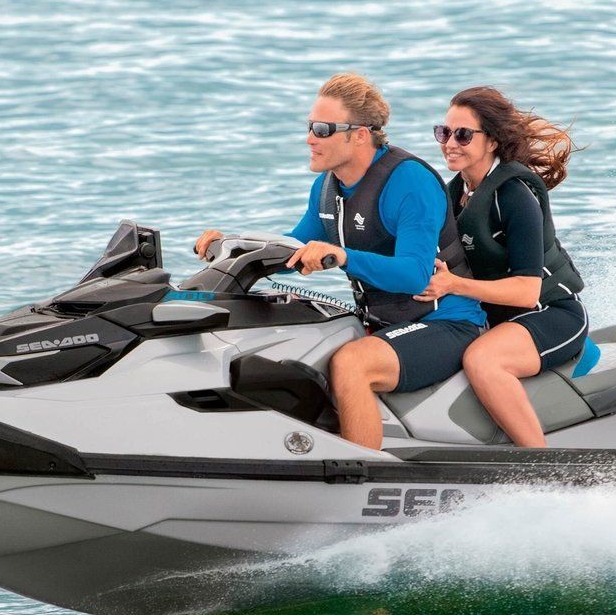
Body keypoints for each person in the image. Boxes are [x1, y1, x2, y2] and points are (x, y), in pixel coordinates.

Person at [194, 73, 485, 450]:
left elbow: (415, 274)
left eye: (322, 129)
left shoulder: (409, 182)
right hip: (384, 321)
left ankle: (360, 474)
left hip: (447, 322)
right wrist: (232, 244)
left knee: (351, 363)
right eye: (309, 126)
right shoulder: (327, 187)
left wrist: (343, 257)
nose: (309, 138)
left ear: (360, 135)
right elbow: (294, 249)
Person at [412, 87, 588, 447]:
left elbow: (526, 291)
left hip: (550, 314)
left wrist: (453, 285)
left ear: (492, 141)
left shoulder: (514, 195)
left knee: (482, 360)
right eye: (443, 132)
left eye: (463, 134)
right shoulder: (454, 194)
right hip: (495, 319)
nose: (449, 143)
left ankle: (538, 463)